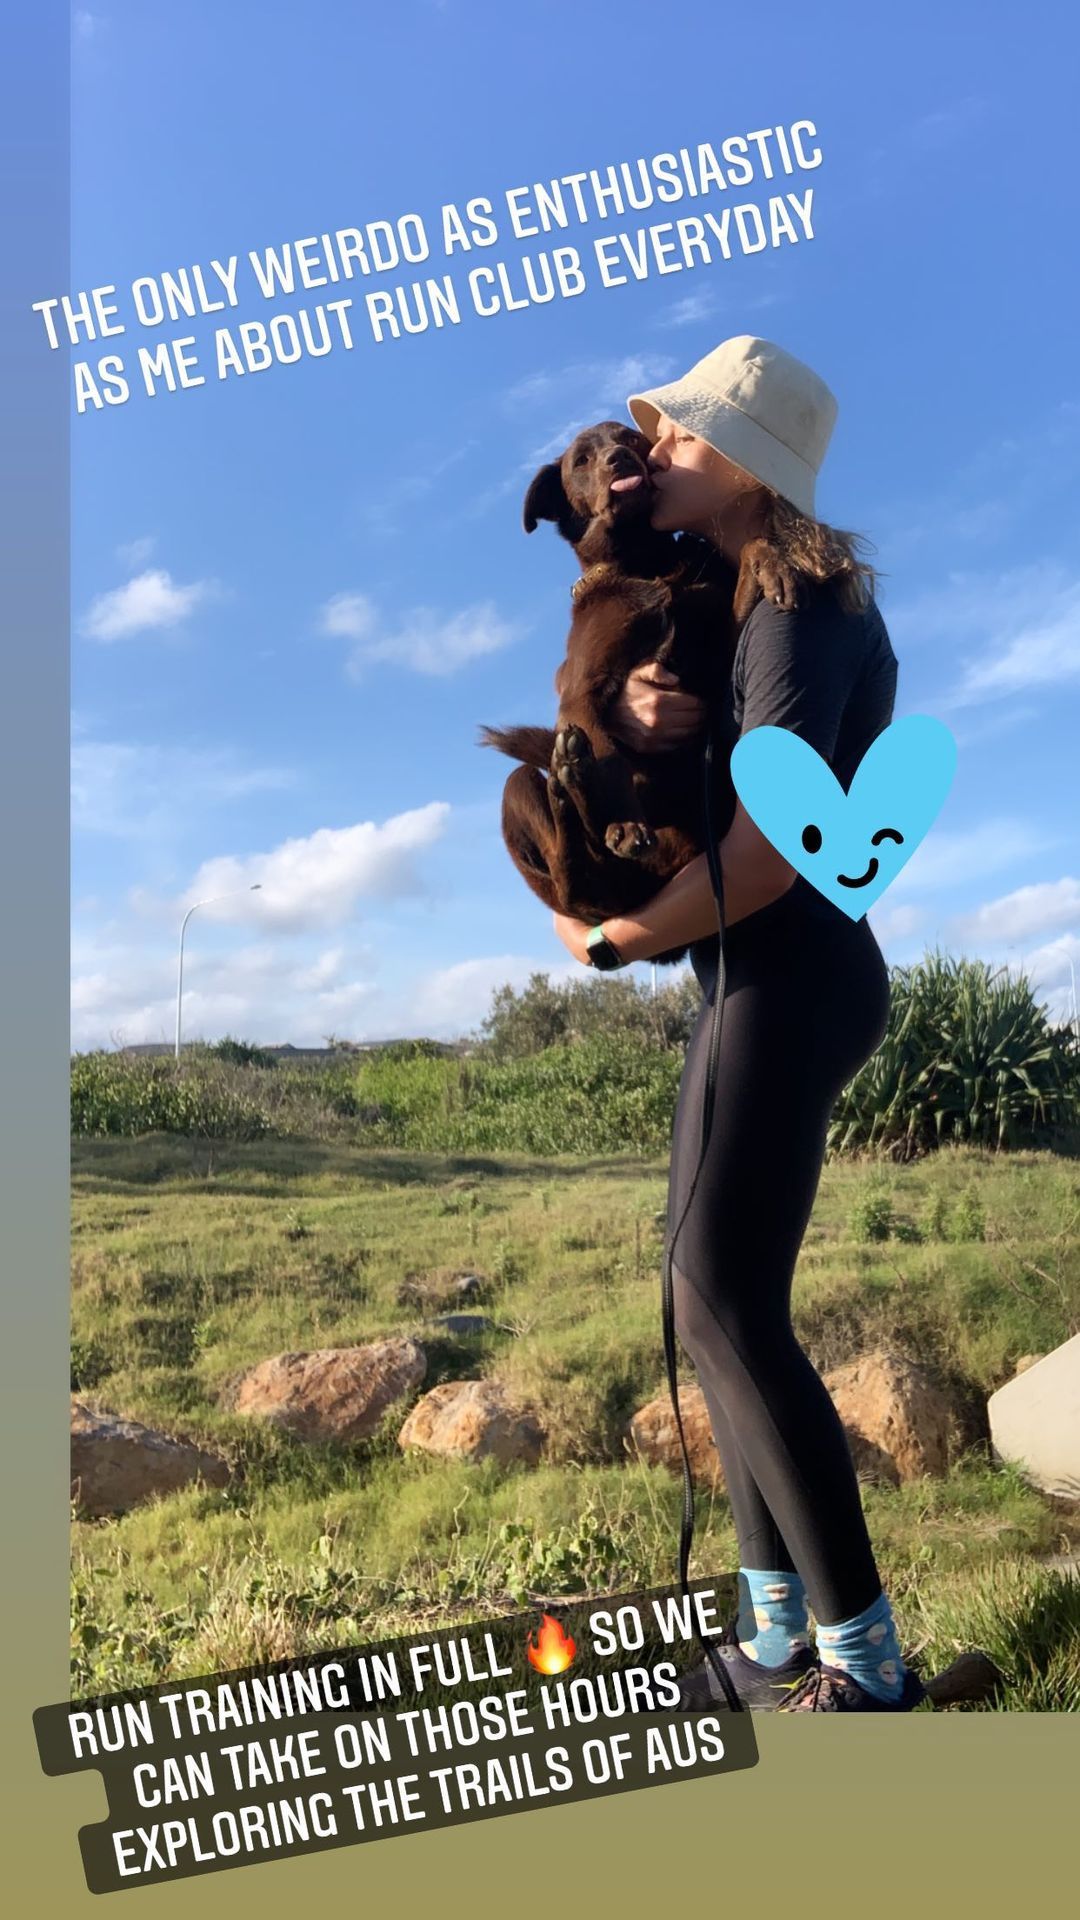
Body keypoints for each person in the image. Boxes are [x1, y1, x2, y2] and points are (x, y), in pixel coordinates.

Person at [551, 336, 924, 1712]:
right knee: (705, 1299)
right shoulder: (745, 603)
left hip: (792, 972)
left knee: (722, 1299)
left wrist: (615, 940)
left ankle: (867, 1671)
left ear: (751, 465)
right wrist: (633, 705)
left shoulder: (800, 608)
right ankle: (777, 1642)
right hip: (758, 979)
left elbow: (771, 854)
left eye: (686, 435)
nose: (658, 451)